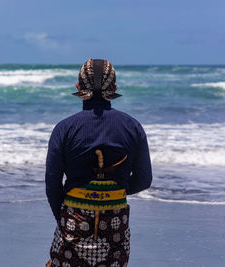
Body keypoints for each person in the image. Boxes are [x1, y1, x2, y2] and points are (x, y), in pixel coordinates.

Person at [45, 58, 152, 267]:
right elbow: (144, 180)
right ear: (114, 88)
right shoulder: (133, 127)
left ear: (78, 87)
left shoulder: (64, 129)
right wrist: (113, 189)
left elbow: (52, 184)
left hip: (73, 221)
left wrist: (65, 219)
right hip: (116, 224)